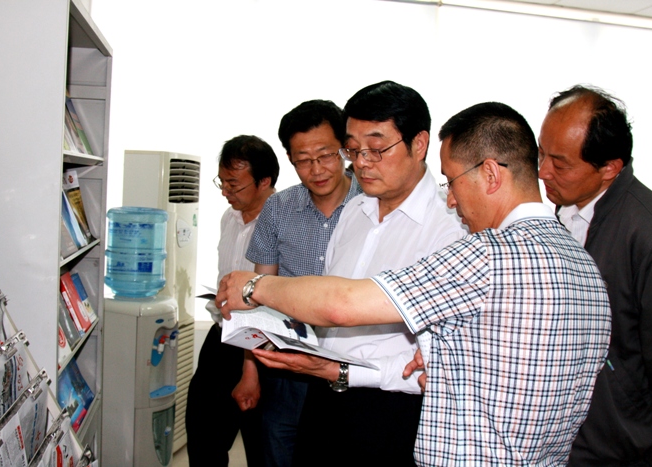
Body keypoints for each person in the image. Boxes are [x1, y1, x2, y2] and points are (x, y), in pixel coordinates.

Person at [216, 102, 612, 466]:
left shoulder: (487, 255)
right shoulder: (582, 262)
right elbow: (438, 373)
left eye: (453, 181)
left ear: (490, 174)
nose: (451, 200)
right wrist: (337, 370)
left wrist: (253, 286)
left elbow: (343, 304)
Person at [251, 81, 464, 466]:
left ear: (419, 144)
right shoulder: (354, 212)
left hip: (394, 409)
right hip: (324, 393)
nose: (362, 162)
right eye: (353, 149)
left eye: (376, 149)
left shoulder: (448, 228)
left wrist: (256, 287)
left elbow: (441, 361)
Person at [538, 85, 652, 466]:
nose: (543, 172)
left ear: (609, 168)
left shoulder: (648, 234)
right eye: (541, 154)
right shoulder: (566, 209)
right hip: (564, 438)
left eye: (560, 165)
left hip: (619, 446)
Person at [236, 99, 361, 466]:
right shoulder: (278, 208)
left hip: (351, 361)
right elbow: (258, 295)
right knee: (280, 448)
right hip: (288, 365)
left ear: (344, 149)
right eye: (303, 160)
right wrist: (249, 368)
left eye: (326, 155)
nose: (316, 170)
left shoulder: (371, 204)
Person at [185, 135, 279, 467]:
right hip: (222, 337)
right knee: (203, 436)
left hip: (263, 346)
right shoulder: (230, 217)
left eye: (234, 184)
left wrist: (249, 367)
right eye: (222, 182)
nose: (226, 191)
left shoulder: (284, 223)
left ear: (264, 181)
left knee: (261, 445)